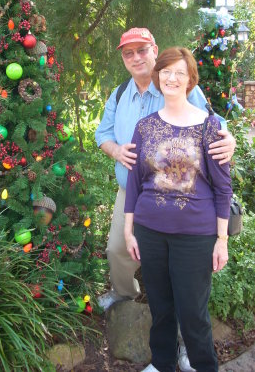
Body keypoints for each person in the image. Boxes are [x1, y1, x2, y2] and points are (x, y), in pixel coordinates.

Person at [95, 28, 235, 372]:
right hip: (137, 196)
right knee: (121, 252)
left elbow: (215, 128)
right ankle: (130, 303)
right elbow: (103, 134)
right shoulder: (121, 93)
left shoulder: (178, 83)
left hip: (189, 212)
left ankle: (190, 352)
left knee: (189, 299)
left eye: (142, 50)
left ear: (154, 51)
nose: (136, 58)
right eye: (129, 53)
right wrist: (117, 151)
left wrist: (229, 139)